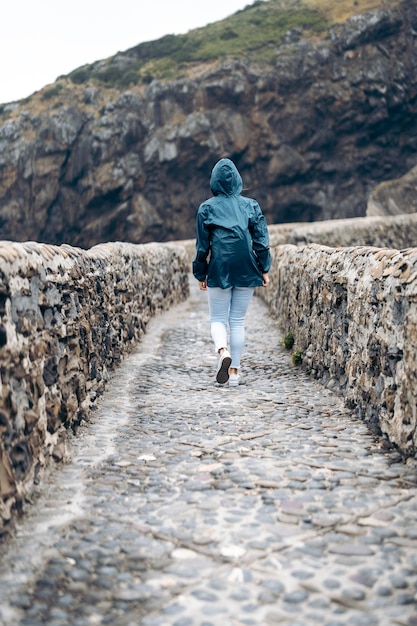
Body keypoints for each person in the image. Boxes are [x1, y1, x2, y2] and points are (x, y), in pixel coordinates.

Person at [192, 158, 271, 386]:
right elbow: (261, 241)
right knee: (237, 320)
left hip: (219, 267)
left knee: (218, 318)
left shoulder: (206, 208)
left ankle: (222, 351)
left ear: (214, 182)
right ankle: (234, 371)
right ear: (237, 180)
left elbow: (202, 246)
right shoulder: (251, 205)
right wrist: (264, 268)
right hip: (247, 266)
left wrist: (200, 273)